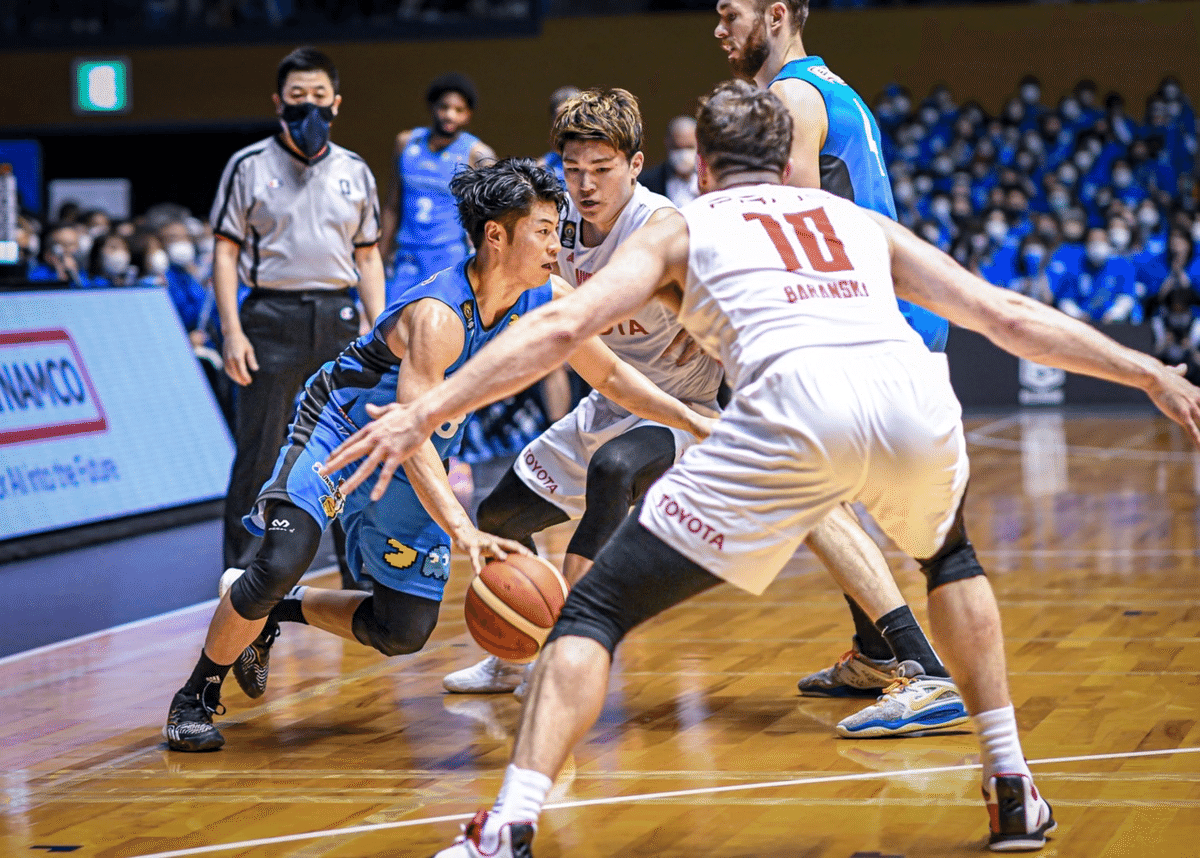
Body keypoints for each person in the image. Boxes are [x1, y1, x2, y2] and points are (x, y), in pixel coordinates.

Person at [323, 80, 1200, 857]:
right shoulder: (858, 222)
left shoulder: (682, 225)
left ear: (701, 166)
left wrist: (424, 411)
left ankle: (509, 825)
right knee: (951, 558)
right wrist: (1147, 371)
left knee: (590, 611)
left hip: (788, 409)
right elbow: (1002, 313)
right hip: (911, 399)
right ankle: (1011, 781)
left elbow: (559, 329)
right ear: (788, 160)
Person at [162, 158, 715, 752]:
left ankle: (276, 611)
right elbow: (412, 436)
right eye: (543, 231)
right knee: (281, 560)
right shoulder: (439, 316)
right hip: (340, 432)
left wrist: (690, 419)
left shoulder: (546, 298)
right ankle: (195, 698)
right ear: (496, 236)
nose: (557, 245)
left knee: (401, 629)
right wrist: (461, 528)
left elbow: (609, 375)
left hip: (417, 449)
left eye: (557, 230)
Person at [714, 0, 965, 737]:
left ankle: (923, 669)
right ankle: (878, 652)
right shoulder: (830, 87)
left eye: (730, 14)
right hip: (887, 313)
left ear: (777, 15)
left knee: (818, 489)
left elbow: (792, 226)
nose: (719, 30)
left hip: (867, 323)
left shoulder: (791, 98)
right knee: (834, 491)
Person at [440, 87, 724, 699]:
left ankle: (571, 649)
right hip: (609, 398)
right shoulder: (556, 225)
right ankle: (513, 651)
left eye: (602, 168)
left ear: (635, 165)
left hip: (685, 412)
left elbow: (740, 301)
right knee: (498, 517)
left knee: (612, 469)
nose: (586, 184)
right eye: (573, 169)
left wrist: (713, 328)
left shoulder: (664, 227)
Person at [210, 47, 386, 592]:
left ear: (336, 102)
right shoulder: (248, 166)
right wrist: (232, 332)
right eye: (296, 96)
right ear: (277, 102)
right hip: (270, 318)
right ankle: (242, 576)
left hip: (340, 317)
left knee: (348, 449)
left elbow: (368, 258)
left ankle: (358, 574)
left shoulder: (355, 170)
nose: (307, 106)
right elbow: (224, 252)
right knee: (261, 451)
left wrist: (379, 330)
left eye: (317, 96)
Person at [379, 73, 496, 305]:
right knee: (392, 319)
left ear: (468, 115)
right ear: (432, 106)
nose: (450, 115)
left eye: (459, 110)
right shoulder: (406, 143)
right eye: (444, 107)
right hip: (407, 254)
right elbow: (392, 205)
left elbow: (493, 216)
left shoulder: (478, 154)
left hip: (450, 254)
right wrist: (379, 257)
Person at [638, 115, 701, 207]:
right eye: (676, 147)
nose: (683, 154)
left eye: (689, 147)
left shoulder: (711, 180)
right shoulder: (647, 183)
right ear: (667, 144)